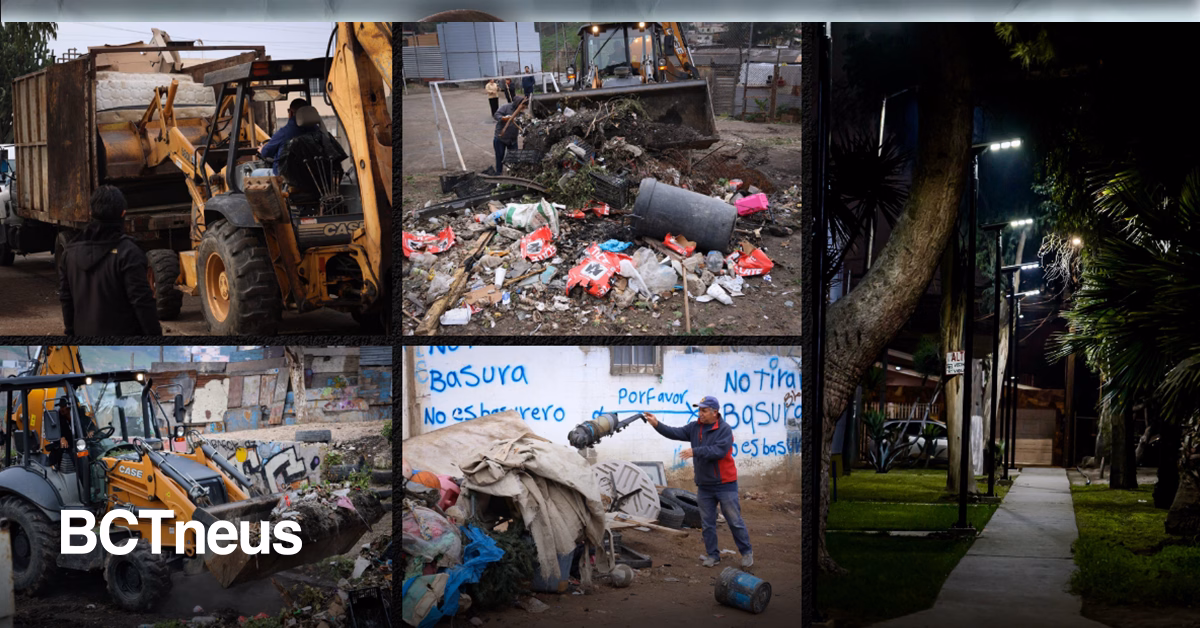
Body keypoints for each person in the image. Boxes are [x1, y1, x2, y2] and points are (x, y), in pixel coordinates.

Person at [645, 396, 753, 569]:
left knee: (734, 520)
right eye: (699, 410)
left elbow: (719, 450)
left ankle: (746, 552)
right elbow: (675, 432)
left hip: (725, 484)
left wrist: (695, 451)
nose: (700, 414)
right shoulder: (695, 427)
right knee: (707, 523)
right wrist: (656, 424)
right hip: (705, 486)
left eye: (703, 410)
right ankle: (713, 555)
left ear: (714, 412)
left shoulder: (724, 429)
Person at [58, 185, 162, 336]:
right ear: (123, 214)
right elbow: (142, 302)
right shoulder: (129, 253)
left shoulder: (69, 253)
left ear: (90, 213)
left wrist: (70, 332)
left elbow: (66, 300)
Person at [259, 98, 318, 174]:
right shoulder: (318, 132)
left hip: (286, 177)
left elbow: (266, 152)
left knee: (254, 173)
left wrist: (262, 149)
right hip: (312, 175)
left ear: (290, 113)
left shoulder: (284, 133)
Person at [492, 95, 525, 175]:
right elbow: (496, 115)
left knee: (514, 157)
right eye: (522, 105)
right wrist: (503, 118)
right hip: (501, 138)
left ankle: (513, 172)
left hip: (512, 139)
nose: (523, 107)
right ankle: (498, 173)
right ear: (518, 104)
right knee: (500, 156)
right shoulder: (506, 107)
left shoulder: (521, 112)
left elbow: (523, 122)